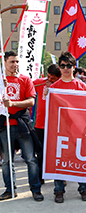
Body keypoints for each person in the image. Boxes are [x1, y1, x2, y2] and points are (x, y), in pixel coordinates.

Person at [47, 51, 86, 203]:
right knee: (59, 159)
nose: (66, 68)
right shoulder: (54, 87)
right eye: (63, 66)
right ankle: (58, 190)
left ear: (74, 67)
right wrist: (47, 96)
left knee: (79, 159)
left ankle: (84, 188)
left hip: (77, 130)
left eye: (69, 66)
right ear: (59, 67)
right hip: (60, 130)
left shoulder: (81, 86)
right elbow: (50, 110)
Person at [0, 51, 44, 201]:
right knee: (6, 160)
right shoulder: (0, 80)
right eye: (12, 61)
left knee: (31, 158)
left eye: (17, 61)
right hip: (4, 125)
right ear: (4, 62)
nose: (15, 65)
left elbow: (31, 101)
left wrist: (13, 104)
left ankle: (36, 189)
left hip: (22, 125)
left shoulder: (25, 80)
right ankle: (10, 190)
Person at [33, 64, 61, 184]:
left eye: (53, 78)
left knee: (57, 152)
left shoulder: (61, 86)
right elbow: (27, 85)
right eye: (48, 76)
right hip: (41, 123)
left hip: (57, 124)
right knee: (40, 152)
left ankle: (60, 178)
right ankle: (40, 177)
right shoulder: (40, 83)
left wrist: (55, 87)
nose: (49, 80)